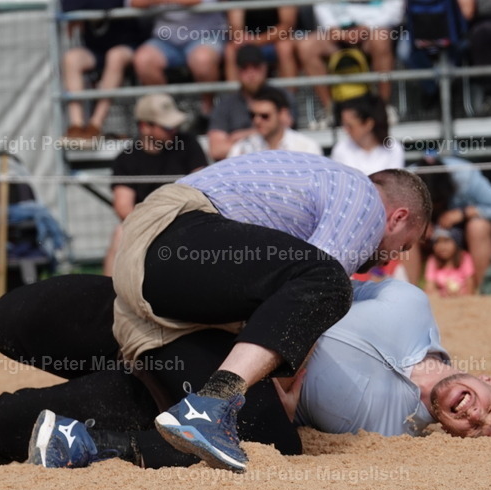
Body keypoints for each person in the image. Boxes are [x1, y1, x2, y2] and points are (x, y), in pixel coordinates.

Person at [0, 274, 491, 472]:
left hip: (205, 383)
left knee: (5, 425)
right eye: (490, 406)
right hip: (200, 332)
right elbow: (318, 280)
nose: (472, 414)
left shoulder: (394, 432)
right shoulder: (409, 304)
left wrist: (283, 391)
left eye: (475, 430)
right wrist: (289, 349)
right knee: (15, 327)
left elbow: (290, 413)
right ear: (486, 380)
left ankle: (90, 444)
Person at [110, 152, 432, 473]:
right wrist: (285, 384)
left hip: (155, 266)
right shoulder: (366, 203)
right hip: (174, 233)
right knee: (330, 281)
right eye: (403, 246)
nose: (393, 257)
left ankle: (86, 437)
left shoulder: (325, 184)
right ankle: (213, 403)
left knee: (274, 435)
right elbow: (318, 289)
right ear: (398, 217)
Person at [104, 94, 207, 276]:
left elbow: (202, 188)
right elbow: (123, 207)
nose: (174, 130)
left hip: (186, 217)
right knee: (120, 234)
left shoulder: (189, 144)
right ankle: (109, 297)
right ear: (145, 126)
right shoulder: (126, 159)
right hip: (145, 222)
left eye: (176, 125)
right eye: (167, 126)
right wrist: (154, 224)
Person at [296, 0, 404, 128]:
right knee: (306, 47)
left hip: (373, 31)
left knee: (381, 38)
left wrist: (367, 27)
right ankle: (331, 111)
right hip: (337, 33)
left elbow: (395, 11)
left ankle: (383, 108)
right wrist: (334, 29)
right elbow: (322, 7)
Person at [410, 154, 491, 286]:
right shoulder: (405, 179)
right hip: (430, 241)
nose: (435, 207)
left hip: (469, 238)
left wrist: (464, 213)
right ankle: (408, 293)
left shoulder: (464, 173)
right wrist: (418, 221)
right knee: (407, 230)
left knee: (478, 226)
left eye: (438, 202)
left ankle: (486, 291)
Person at [59, 0, 147, 146]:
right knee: (71, 59)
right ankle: (77, 127)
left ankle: (95, 126)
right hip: (96, 49)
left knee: (115, 56)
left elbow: (115, 3)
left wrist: (89, 6)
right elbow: (68, 7)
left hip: (130, 46)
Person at [131, 0, 227, 123]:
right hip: (166, 38)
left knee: (203, 60)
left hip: (205, 34)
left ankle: (207, 114)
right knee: (143, 60)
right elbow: (135, 3)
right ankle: (168, 113)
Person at [207, 44, 269, 161]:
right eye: (245, 68)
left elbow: (283, 139)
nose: (251, 73)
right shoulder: (225, 105)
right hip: (236, 173)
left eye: (255, 67)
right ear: (237, 71)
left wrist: (238, 136)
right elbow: (216, 149)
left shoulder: (280, 98)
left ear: (264, 68)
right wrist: (258, 138)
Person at [229, 86, 322, 156]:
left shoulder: (305, 148)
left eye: (265, 116)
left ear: (282, 114)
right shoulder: (241, 149)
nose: (257, 121)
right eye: (252, 115)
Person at [224, 3, 299, 83]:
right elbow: (236, 26)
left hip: (277, 39)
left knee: (285, 48)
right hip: (248, 40)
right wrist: (242, 38)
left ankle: (288, 94)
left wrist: (256, 40)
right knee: (230, 50)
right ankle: (234, 94)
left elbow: (287, 25)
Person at [330, 95, 405, 175]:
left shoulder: (393, 148)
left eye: (350, 126)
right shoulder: (341, 149)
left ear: (368, 124)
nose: (345, 129)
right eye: (344, 125)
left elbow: (393, 184)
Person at [424, 226, 476, 296]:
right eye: (437, 242)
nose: (441, 246)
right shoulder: (433, 260)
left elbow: (470, 284)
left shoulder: (464, 258)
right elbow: (429, 287)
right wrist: (441, 294)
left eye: (446, 241)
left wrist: (461, 294)